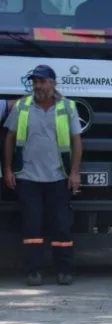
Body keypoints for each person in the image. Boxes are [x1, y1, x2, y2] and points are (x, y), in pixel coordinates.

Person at [3, 64, 82, 286]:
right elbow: (9, 138)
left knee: (61, 227)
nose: (38, 86)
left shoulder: (68, 107)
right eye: (35, 82)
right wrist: (7, 169)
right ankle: (34, 271)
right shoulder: (22, 107)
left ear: (53, 83)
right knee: (32, 227)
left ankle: (64, 270)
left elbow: (77, 142)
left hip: (59, 177)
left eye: (42, 81)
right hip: (28, 177)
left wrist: (74, 172)